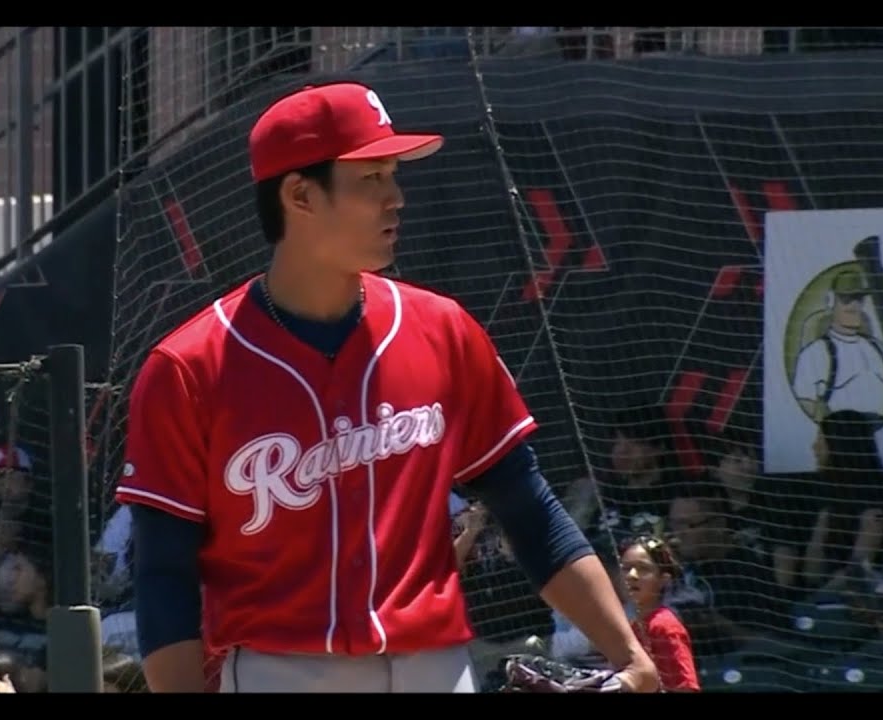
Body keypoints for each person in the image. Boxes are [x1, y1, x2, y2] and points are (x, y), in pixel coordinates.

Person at [115, 81, 658, 694]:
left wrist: (628, 652)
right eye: (371, 178)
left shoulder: (442, 330)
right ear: (300, 195)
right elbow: (163, 573)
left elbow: (529, 510)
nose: (396, 198)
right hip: (281, 671)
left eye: (394, 175)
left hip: (437, 666)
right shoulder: (190, 367)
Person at [618, 536, 699, 692]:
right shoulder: (635, 625)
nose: (631, 575)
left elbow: (684, 687)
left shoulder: (664, 626)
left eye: (643, 568)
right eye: (626, 568)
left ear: (663, 579)